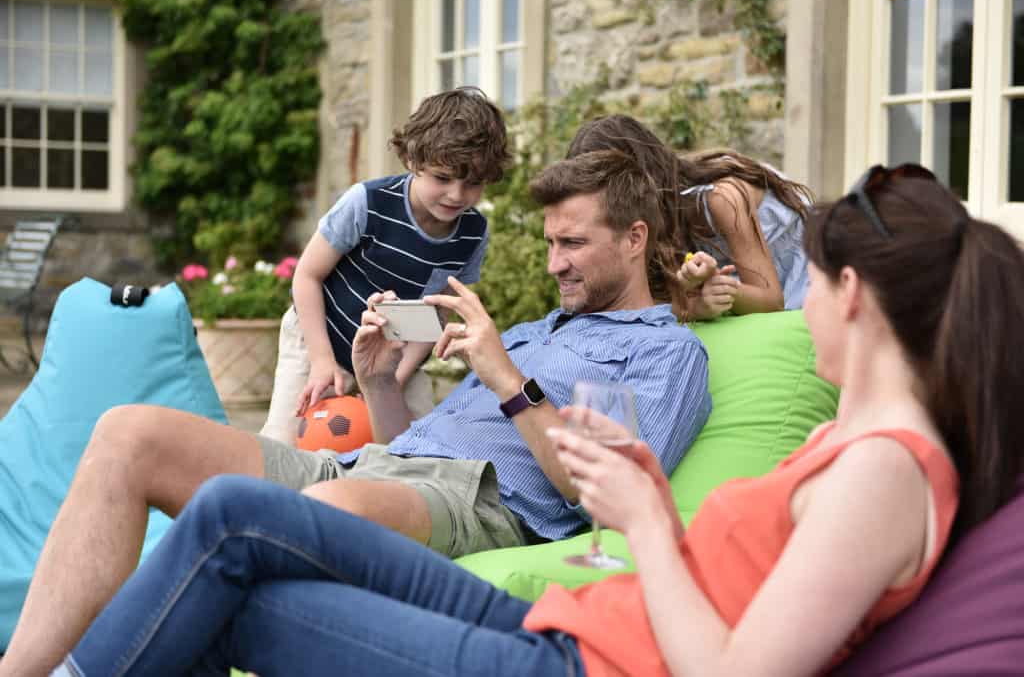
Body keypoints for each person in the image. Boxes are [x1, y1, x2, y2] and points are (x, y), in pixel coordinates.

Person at [48, 165, 1024, 677]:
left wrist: (643, 522)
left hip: (577, 662)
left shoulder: (885, 471)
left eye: (811, 288)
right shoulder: (856, 445)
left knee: (228, 566)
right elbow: (741, 582)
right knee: (223, 532)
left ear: (852, 297)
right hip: (573, 623)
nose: (795, 304)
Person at [0, 150, 712, 675]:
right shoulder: (536, 330)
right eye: (552, 242)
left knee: (321, 510)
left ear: (635, 238)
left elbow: (602, 495)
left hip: (476, 501)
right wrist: (379, 388)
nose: (555, 263)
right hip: (370, 465)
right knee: (130, 433)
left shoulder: (669, 355)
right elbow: (408, 448)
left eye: (573, 244)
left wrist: (503, 374)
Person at [261, 87, 509, 444]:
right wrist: (320, 361)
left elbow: (436, 315)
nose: (456, 195)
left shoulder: (473, 233)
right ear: (412, 159)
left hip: (395, 357)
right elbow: (307, 276)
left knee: (417, 448)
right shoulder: (368, 202)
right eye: (442, 178)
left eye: (472, 184)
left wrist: (392, 380)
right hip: (319, 340)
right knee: (285, 443)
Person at [567, 114, 814, 320]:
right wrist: (696, 303)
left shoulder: (721, 198)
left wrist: (717, 288)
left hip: (809, 274)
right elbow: (657, 305)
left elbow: (771, 301)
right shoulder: (646, 222)